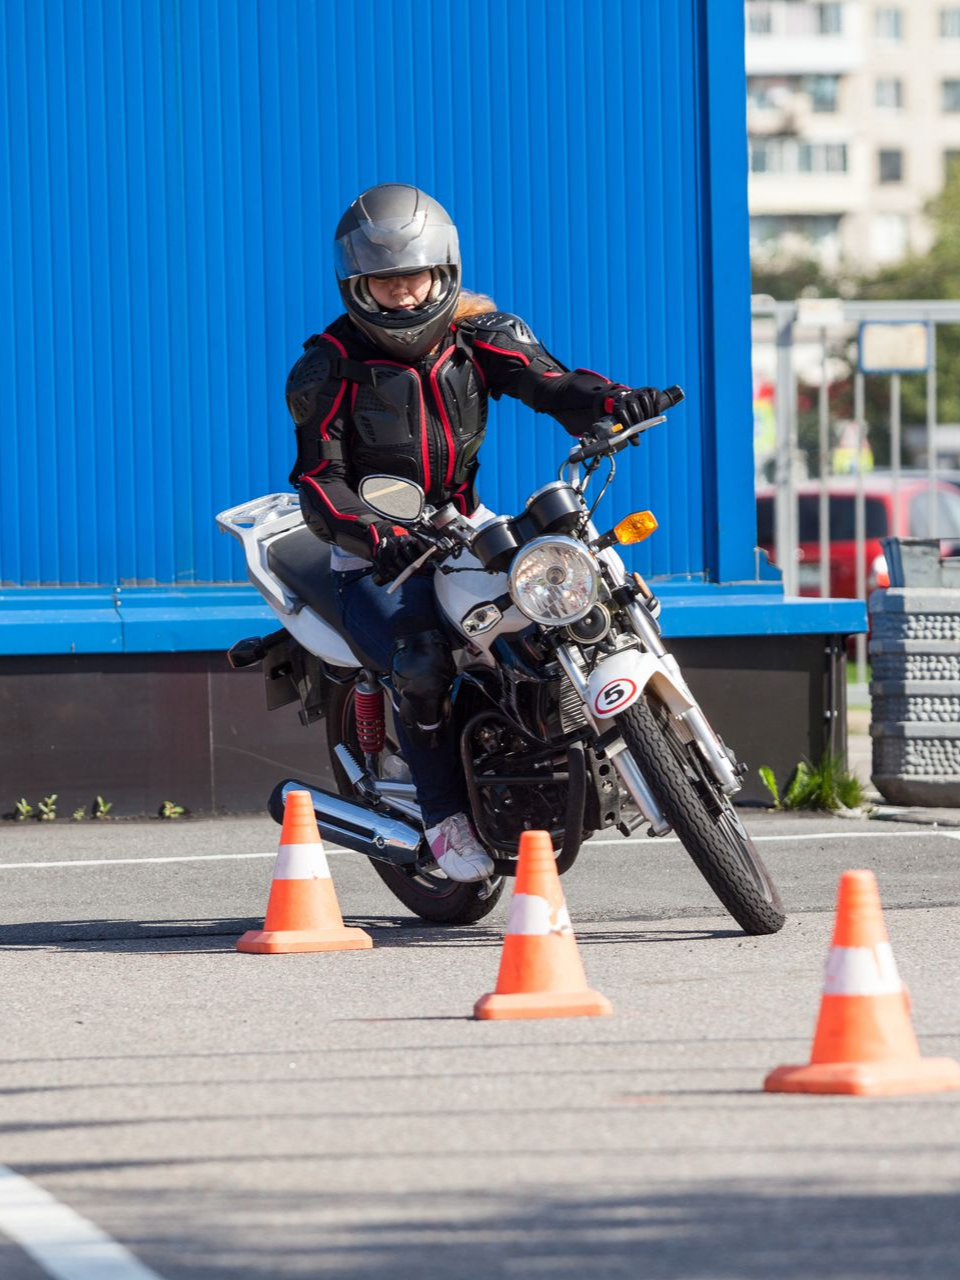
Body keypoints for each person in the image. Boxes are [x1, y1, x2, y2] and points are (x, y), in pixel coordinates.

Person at [285, 183, 664, 884]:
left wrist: (612, 402)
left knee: (580, 586)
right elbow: (319, 480)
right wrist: (374, 536)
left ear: (444, 272)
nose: (402, 295)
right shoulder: (328, 366)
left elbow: (550, 385)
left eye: (414, 277)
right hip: (375, 549)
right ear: (356, 285)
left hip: (464, 522)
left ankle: (613, 746)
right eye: (384, 281)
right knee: (422, 661)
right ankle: (443, 817)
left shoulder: (479, 334)